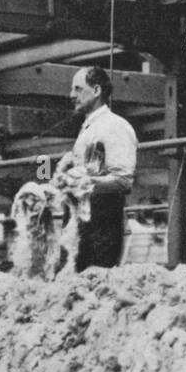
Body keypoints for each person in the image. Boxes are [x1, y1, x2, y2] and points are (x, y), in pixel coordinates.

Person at [58, 66, 137, 270]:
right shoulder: (89, 128)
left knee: (96, 283)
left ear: (96, 90)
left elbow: (123, 180)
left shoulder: (115, 126)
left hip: (102, 224)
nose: (71, 95)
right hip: (81, 221)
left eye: (77, 89)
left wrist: (85, 182)